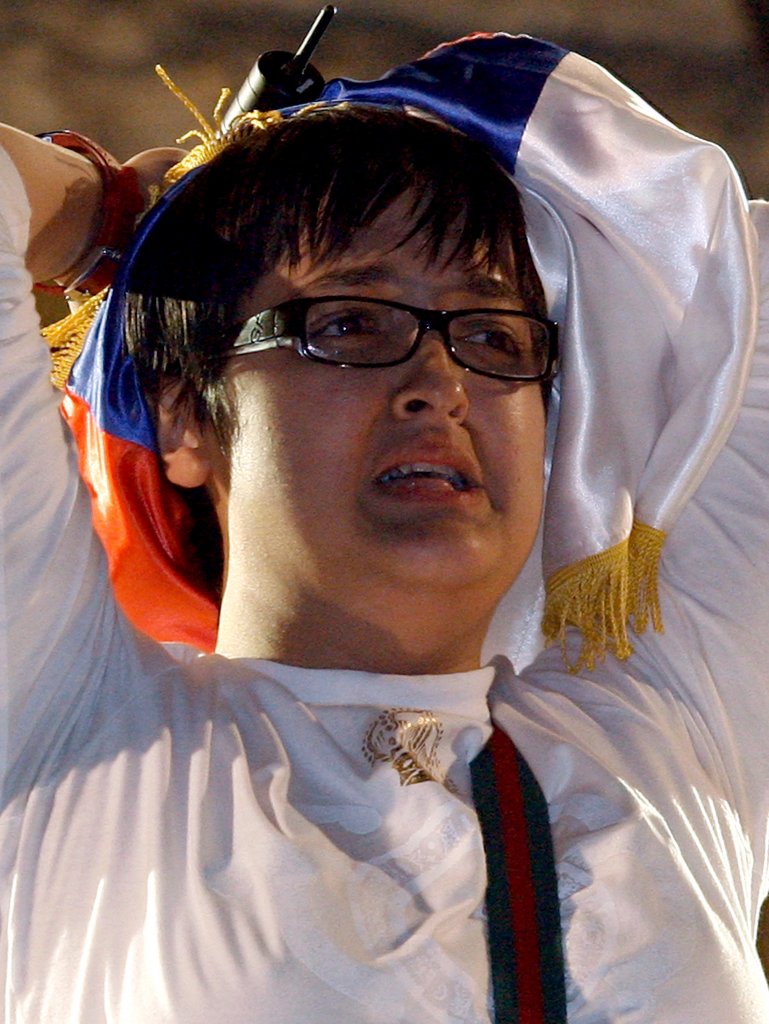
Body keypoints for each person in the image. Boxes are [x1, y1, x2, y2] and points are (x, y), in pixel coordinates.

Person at [1, 30, 768, 1023]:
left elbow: (726, 271)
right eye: (352, 324)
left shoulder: (671, 739)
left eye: (492, 335)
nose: (438, 384)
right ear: (185, 414)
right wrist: (109, 218)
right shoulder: (73, 730)